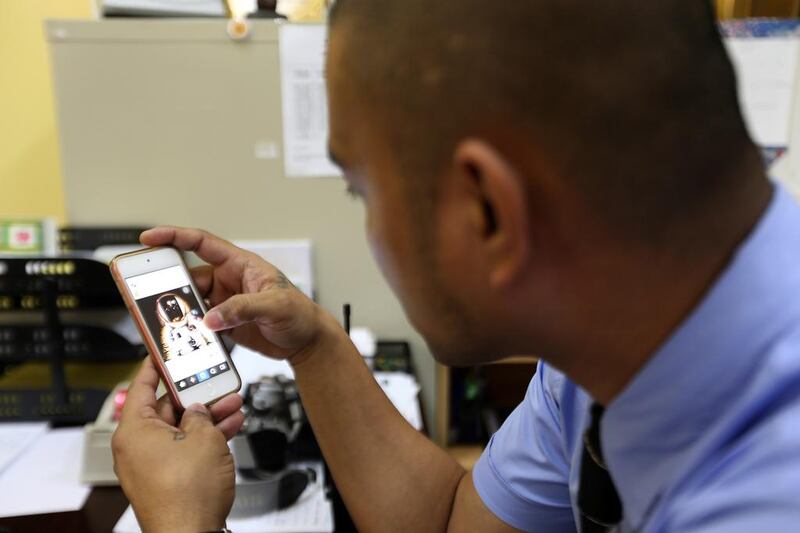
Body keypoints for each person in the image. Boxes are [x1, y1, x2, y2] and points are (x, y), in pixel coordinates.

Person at [111, 1, 800, 532]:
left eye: (363, 191)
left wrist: (182, 524)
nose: (370, 226)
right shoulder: (610, 344)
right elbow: (450, 521)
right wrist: (314, 341)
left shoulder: (763, 497)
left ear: (488, 212)